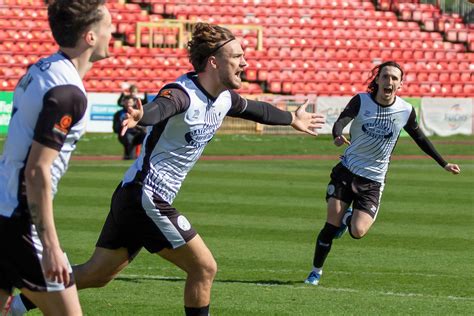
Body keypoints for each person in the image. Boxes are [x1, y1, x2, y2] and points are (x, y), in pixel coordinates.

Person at [8, 22, 326, 316]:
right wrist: (140, 115)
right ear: (213, 61)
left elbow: (257, 109)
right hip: (147, 195)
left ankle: (19, 303)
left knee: (97, 274)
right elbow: (161, 108)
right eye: (238, 56)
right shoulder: (182, 93)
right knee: (204, 268)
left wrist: (292, 119)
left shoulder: (225, 98)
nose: (245, 63)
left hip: (131, 195)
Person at [0, 0, 113, 315]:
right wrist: (50, 248)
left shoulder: (43, 68)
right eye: (108, 26)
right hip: (19, 220)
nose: (113, 31)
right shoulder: (68, 93)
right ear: (90, 37)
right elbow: (37, 171)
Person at [304, 61, 461, 286]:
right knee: (330, 224)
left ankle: (346, 219)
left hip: (374, 181)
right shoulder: (361, 100)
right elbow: (341, 121)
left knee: (358, 231)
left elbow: (421, 139)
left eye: (394, 78)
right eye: (385, 76)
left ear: (401, 84)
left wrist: (443, 163)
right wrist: (337, 135)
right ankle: (315, 272)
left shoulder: (405, 110)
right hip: (347, 172)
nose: (389, 81)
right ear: (377, 80)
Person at [112, 95, 146, 160]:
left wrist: (139, 128)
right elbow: (116, 127)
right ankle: (128, 155)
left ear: (133, 103)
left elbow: (143, 124)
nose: (128, 104)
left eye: (130, 102)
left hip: (137, 133)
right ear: (123, 103)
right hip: (125, 134)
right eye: (126, 102)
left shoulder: (137, 112)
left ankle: (144, 155)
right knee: (128, 139)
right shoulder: (119, 113)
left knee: (146, 136)